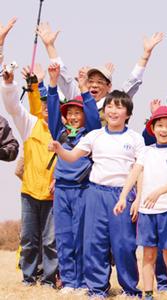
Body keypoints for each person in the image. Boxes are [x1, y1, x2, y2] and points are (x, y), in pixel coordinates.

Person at [50, 90, 145, 298]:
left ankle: (130, 289)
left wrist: (132, 196)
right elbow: (72, 156)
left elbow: (139, 169)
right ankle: (97, 289)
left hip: (121, 194)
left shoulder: (135, 138)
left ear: (128, 113)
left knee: (123, 244)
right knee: (95, 243)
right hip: (95, 193)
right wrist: (59, 149)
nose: (113, 111)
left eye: (119, 107)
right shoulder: (94, 136)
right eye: (110, 106)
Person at [114, 106, 167, 300]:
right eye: (160, 125)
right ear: (152, 128)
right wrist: (123, 196)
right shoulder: (146, 152)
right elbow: (134, 173)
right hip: (147, 212)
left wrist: (158, 192)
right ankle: (148, 294)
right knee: (148, 255)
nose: (164, 130)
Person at [47, 63, 101, 293]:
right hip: (61, 190)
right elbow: (51, 110)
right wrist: (52, 83)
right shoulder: (59, 132)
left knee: (81, 236)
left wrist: (84, 90)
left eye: (77, 112)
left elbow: (93, 116)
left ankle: (82, 281)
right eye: (69, 113)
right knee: (63, 236)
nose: (73, 116)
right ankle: (68, 281)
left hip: (82, 189)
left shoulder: (91, 134)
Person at [1, 67, 58, 287]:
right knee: (28, 239)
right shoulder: (30, 125)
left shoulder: (62, 131)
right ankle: (28, 276)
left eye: (50, 104)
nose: (45, 107)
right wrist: (9, 84)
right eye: (42, 103)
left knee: (51, 241)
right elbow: (13, 107)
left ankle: (49, 279)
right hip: (29, 192)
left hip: (53, 195)